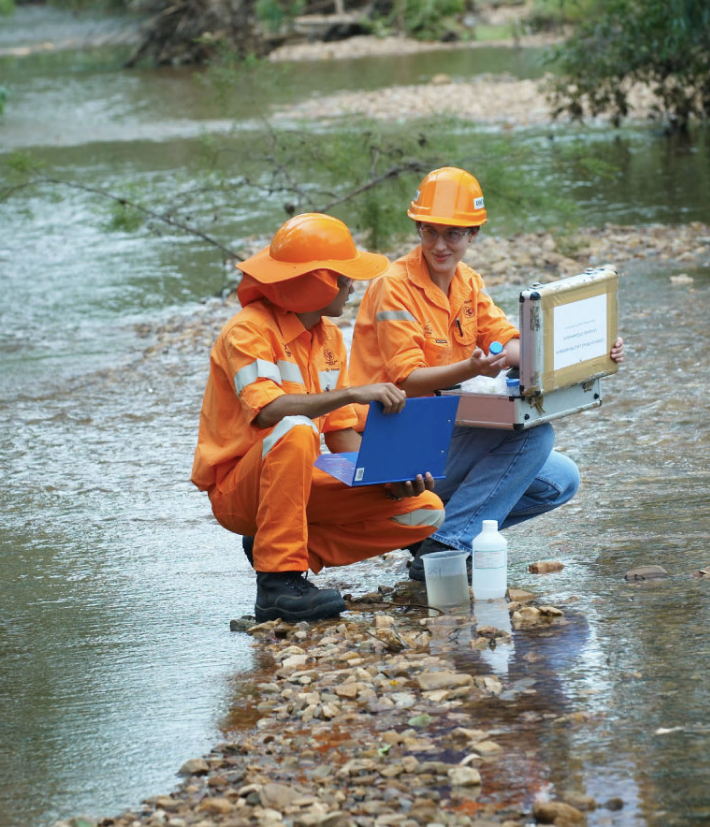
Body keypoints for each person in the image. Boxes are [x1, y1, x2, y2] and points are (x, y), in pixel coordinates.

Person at [345, 167, 625, 580]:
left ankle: (436, 536)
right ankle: (446, 547)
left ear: (473, 235)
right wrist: (471, 367)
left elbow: (514, 346)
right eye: (430, 232)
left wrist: (595, 352)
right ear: (418, 228)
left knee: (561, 479)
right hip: (394, 443)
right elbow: (404, 380)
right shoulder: (394, 286)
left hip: (442, 433)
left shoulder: (468, 284)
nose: (440, 245)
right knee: (535, 436)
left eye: (453, 235)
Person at [191, 213, 446, 622]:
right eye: (343, 277)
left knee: (425, 509)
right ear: (317, 283)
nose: (351, 285)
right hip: (239, 490)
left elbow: (342, 436)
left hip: (297, 482)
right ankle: (279, 583)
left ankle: (279, 547)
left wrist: (388, 473)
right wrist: (351, 392)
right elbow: (269, 411)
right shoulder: (246, 332)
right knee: (293, 427)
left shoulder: (327, 337)